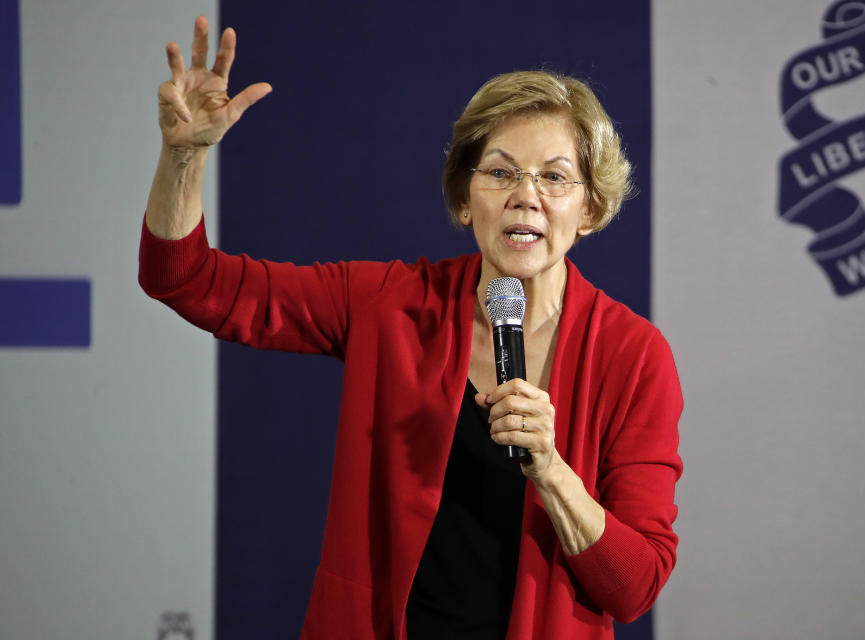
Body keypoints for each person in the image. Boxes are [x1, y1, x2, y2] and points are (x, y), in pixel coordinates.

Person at [139, 16, 683, 640]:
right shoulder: (390, 304)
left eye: (555, 177)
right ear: (463, 198)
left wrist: (553, 469)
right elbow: (185, 280)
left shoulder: (633, 355)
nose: (525, 196)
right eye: (500, 172)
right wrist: (183, 156)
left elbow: (637, 586)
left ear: (589, 208)